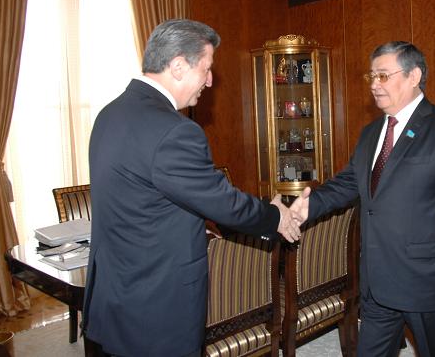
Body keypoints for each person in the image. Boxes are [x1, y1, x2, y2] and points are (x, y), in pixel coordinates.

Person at [82, 19, 300, 356]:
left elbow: (148, 198)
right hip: (156, 305)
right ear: (179, 66)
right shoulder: (174, 130)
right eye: (206, 68)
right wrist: (276, 216)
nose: (210, 80)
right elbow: (224, 202)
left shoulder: (109, 114)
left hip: (116, 291)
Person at [290, 41, 435, 357]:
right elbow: (348, 183)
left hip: (426, 283)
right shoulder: (371, 133)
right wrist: (307, 205)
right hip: (377, 280)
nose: (374, 85)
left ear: (413, 76)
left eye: (383, 75)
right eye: (371, 76)